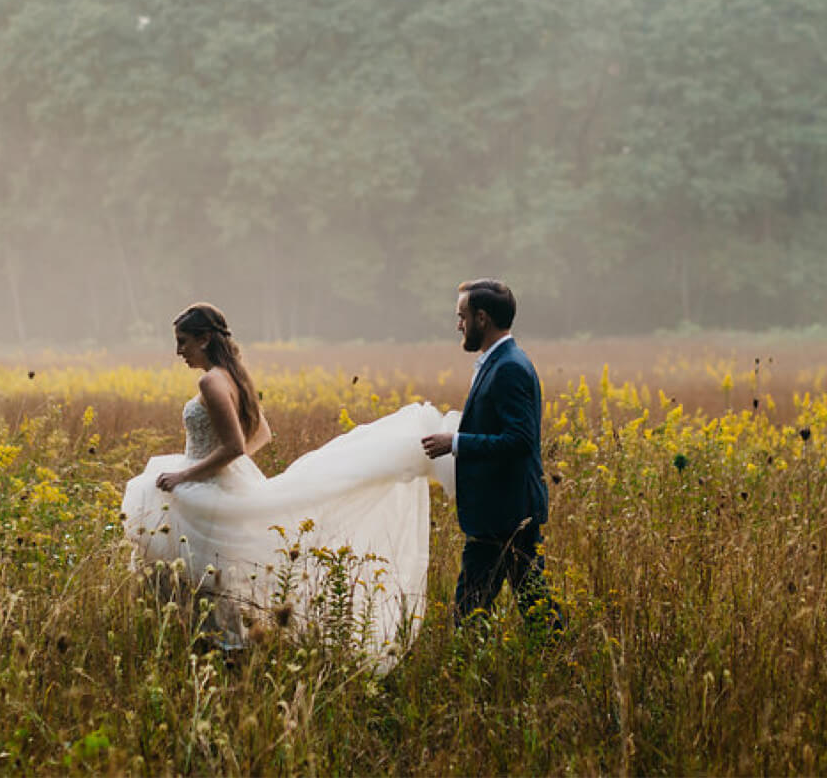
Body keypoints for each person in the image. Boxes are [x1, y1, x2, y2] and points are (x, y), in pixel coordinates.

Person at [121, 302, 451, 667]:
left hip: (204, 486)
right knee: (214, 576)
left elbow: (233, 446)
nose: (178, 351)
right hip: (218, 481)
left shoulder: (211, 381)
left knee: (195, 576)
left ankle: (214, 651)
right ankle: (223, 648)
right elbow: (261, 434)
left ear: (204, 338)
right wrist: (233, 467)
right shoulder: (234, 376)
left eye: (183, 342)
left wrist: (188, 474)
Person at [421, 279, 563, 631]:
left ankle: (471, 670)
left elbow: (520, 440)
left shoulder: (509, 367)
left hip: (506, 514)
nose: (458, 324)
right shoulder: (499, 361)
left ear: (481, 318)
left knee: (472, 608)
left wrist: (455, 443)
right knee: (530, 599)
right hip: (507, 511)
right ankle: (559, 655)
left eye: (462, 316)